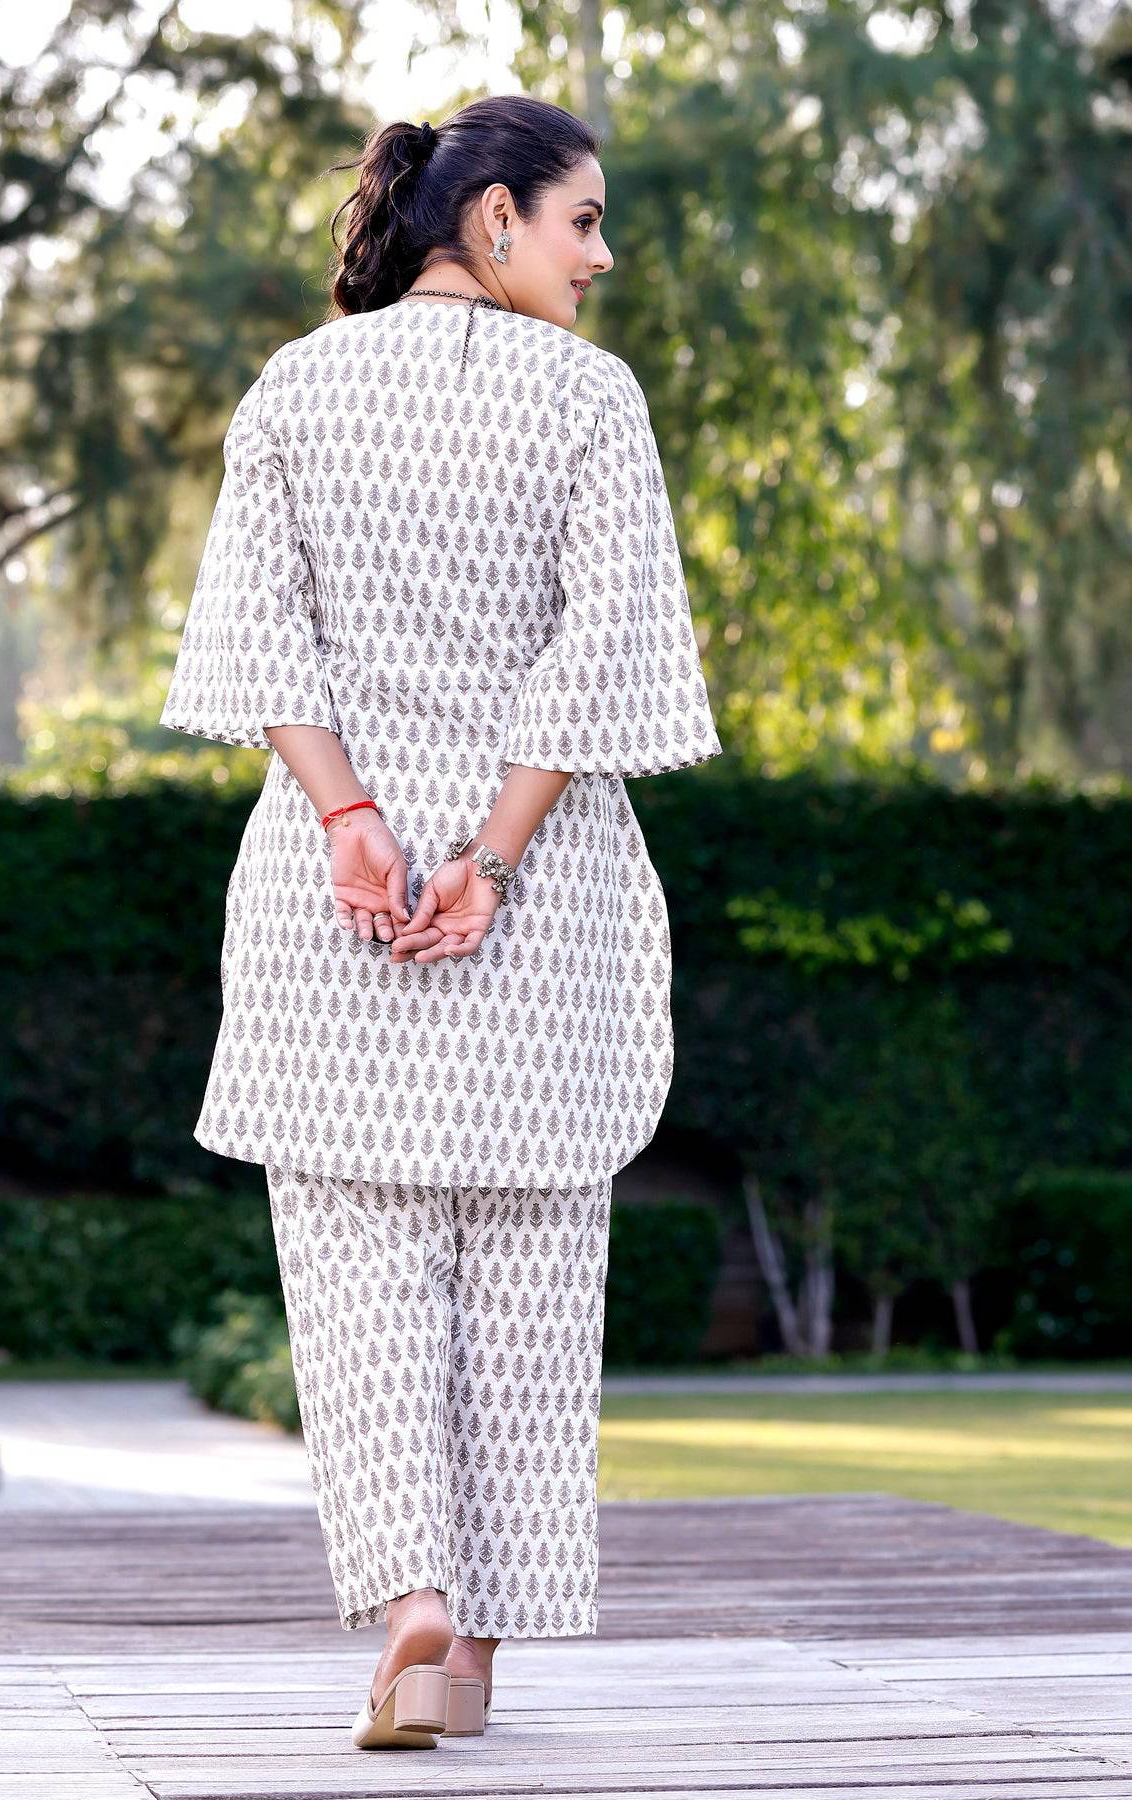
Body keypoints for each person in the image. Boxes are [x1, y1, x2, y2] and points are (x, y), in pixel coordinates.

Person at [159, 92, 723, 1750]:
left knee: (358, 1283)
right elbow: (601, 654)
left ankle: (409, 1604)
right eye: (583, 221)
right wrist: (487, 855)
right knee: (529, 1288)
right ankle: (468, 1655)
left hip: (333, 901)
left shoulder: (295, 386)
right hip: (532, 913)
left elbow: (258, 640)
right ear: (493, 219)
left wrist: (353, 825)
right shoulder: (589, 402)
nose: (600, 257)